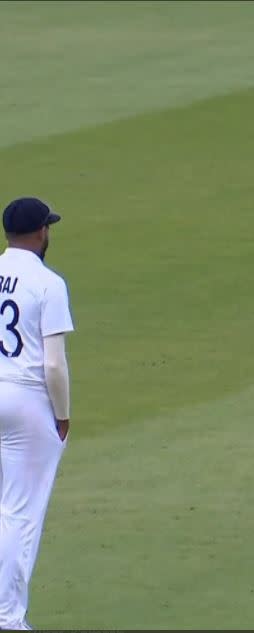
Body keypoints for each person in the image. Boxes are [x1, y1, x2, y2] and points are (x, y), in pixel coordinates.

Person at [0, 197, 74, 630]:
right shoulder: (48, 283)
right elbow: (53, 364)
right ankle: (8, 618)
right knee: (20, 515)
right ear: (41, 232)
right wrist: (61, 415)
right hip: (27, 400)